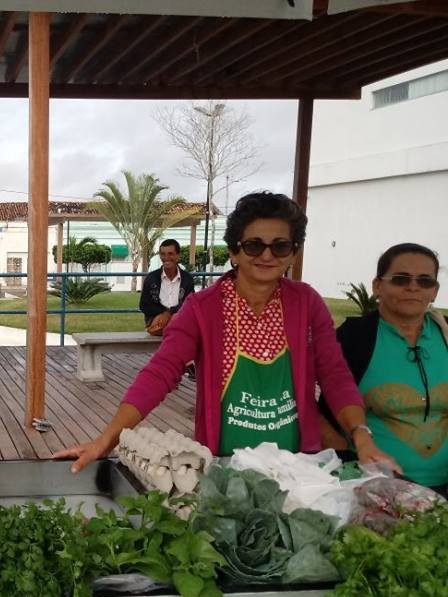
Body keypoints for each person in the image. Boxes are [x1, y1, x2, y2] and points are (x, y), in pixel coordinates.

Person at [55, 192, 396, 473]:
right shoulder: (203, 307)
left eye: (280, 246)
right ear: (234, 251)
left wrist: (361, 436)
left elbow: (334, 374)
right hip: (222, 463)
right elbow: (162, 371)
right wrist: (108, 439)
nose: (266, 255)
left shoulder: (307, 303)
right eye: (253, 246)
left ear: (293, 252)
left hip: (299, 465)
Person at [320, 243, 447, 491]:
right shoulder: (353, 338)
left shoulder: (445, 335)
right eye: (401, 279)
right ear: (378, 286)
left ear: (434, 291)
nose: (413, 287)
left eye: (425, 281)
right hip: (376, 487)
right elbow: (322, 413)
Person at [139, 239, 195, 336]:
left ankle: (171, 329)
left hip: (179, 318)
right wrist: (163, 313)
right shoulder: (151, 278)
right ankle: (172, 329)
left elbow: (189, 304)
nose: (166, 257)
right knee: (165, 323)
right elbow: (144, 305)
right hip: (157, 319)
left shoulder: (187, 279)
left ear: (178, 256)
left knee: (177, 318)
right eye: (163, 254)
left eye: (170, 254)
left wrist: (170, 314)